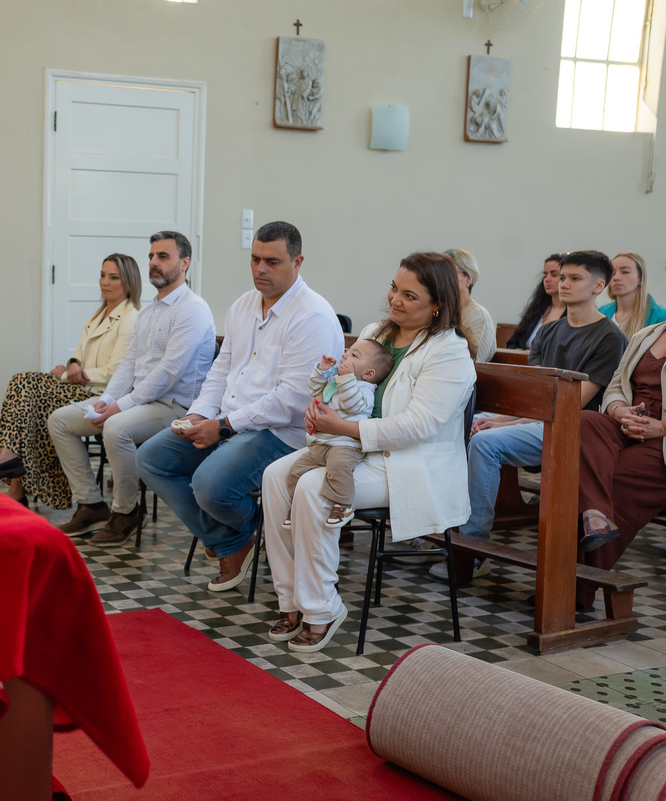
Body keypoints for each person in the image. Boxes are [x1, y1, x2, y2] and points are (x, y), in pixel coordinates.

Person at [261, 252, 476, 652]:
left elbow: (418, 425)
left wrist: (341, 427)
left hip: (405, 463)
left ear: (437, 306)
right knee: (275, 476)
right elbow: (346, 385)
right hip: (349, 445)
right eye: (394, 287)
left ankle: (322, 609)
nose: (394, 299)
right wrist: (322, 408)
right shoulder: (378, 330)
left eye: (409, 295)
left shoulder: (449, 352)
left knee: (312, 487)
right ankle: (289, 599)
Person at [136, 221, 343, 590]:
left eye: (272, 261)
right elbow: (221, 370)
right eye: (255, 259)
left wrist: (225, 425)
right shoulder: (244, 305)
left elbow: (292, 402)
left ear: (298, 262)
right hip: (230, 421)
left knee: (210, 484)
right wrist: (199, 413)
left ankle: (247, 531)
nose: (261, 269)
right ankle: (233, 539)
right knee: (152, 458)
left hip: (282, 433)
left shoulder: (312, 316)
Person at [438, 251, 626, 583]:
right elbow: (534, 396)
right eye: (562, 277)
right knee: (467, 424)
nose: (564, 284)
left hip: (576, 431)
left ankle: (474, 547)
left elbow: (570, 405)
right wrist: (500, 419)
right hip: (541, 420)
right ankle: (438, 526)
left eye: (575, 278)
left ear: (599, 285)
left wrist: (503, 423)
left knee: (484, 443)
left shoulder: (609, 337)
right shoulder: (548, 331)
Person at [48, 231, 216, 543]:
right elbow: (129, 364)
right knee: (60, 420)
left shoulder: (193, 309)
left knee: (115, 428)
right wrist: (108, 398)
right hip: (139, 403)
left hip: (177, 408)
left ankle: (126, 512)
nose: (153, 262)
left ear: (185, 263)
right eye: (152, 256)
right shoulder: (150, 311)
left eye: (163, 257)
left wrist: (119, 407)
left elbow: (168, 373)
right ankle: (90, 504)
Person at [0, 255, 141, 507]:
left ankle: (11, 468)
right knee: (23, 386)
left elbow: (116, 373)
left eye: (113, 277)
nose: (104, 282)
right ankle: (13, 476)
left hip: (104, 395)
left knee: (28, 390)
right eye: (102, 275)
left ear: (128, 282)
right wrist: (72, 363)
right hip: (82, 387)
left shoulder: (131, 318)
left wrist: (66, 374)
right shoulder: (97, 316)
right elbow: (82, 359)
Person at [576, 254, 666, 610]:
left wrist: (660, 426)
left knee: (610, 481)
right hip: (630, 424)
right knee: (585, 421)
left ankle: (577, 592)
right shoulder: (649, 333)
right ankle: (596, 515)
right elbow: (617, 384)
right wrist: (619, 411)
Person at [282, 339, 395, 526]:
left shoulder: (365, 389)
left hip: (346, 445)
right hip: (321, 444)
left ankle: (343, 504)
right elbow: (313, 389)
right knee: (295, 472)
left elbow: (352, 405)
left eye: (354, 355)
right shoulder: (337, 381)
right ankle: (296, 508)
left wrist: (347, 378)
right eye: (347, 351)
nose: (345, 355)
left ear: (368, 374)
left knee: (339, 468)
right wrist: (321, 370)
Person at [599, 252, 666, 340]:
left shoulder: (661, 316)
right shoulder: (602, 311)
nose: (616, 277)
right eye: (612, 273)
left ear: (640, 278)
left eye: (625, 272)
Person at [506, 254, 565, 350]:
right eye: (545, 275)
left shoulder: (573, 314)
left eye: (554, 274)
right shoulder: (537, 309)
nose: (547, 279)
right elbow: (513, 342)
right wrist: (521, 353)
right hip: (524, 363)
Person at [447, 248, 496, 361]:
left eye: (450, 272)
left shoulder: (478, 315)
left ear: (468, 279)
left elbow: (474, 363)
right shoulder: (438, 310)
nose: (443, 279)